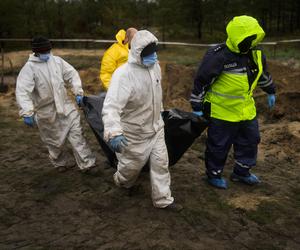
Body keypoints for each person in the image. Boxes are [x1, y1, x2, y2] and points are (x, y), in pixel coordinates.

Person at [190, 15, 276, 189]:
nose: (251, 42)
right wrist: (197, 106)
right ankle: (213, 174)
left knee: (250, 141)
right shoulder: (219, 56)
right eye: (247, 38)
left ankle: (242, 172)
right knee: (219, 145)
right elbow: (202, 80)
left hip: (246, 110)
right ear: (237, 37)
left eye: (253, 38)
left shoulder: (256, 54)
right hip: (222, 111)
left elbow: (261, 75)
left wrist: (270, 90)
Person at [102, 30, 181, 211]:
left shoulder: (155, 67)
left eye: (154, 52)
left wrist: (160, 112)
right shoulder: (123, 75)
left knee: (161, 164)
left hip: (156, 128)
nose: (153, 56)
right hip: (134, 132)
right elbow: (111, 106)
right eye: (148, 53)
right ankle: (121, 181)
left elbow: (156, 93)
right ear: (137, 52)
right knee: (131, 168)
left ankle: (163, 199)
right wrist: (113, 132)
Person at [16, 36, 96, 173]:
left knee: (77, 135)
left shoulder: (57, 62)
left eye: (48, 51)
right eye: (43, 51)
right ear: (36, 52)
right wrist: (27, 111)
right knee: (54, 141)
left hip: (66, 106)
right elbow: (22, 91)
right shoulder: (29, 68)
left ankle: (87, 164)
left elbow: (72, 74)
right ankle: (60, 163)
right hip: (46, 111)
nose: (47, 54)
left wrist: (78, 92)